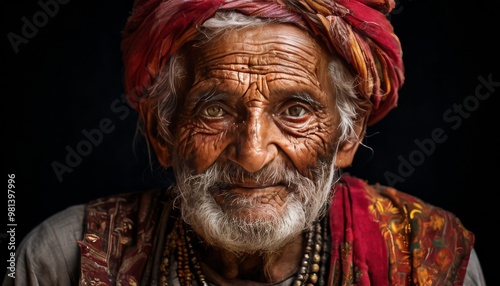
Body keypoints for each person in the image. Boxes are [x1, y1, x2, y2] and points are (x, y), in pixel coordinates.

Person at [3, 0, 487, 285]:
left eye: (295, 110)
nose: (253, 154)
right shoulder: (63, 259)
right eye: (214, 109)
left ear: (347, 135)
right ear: (162, 132)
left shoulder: (427, 258)